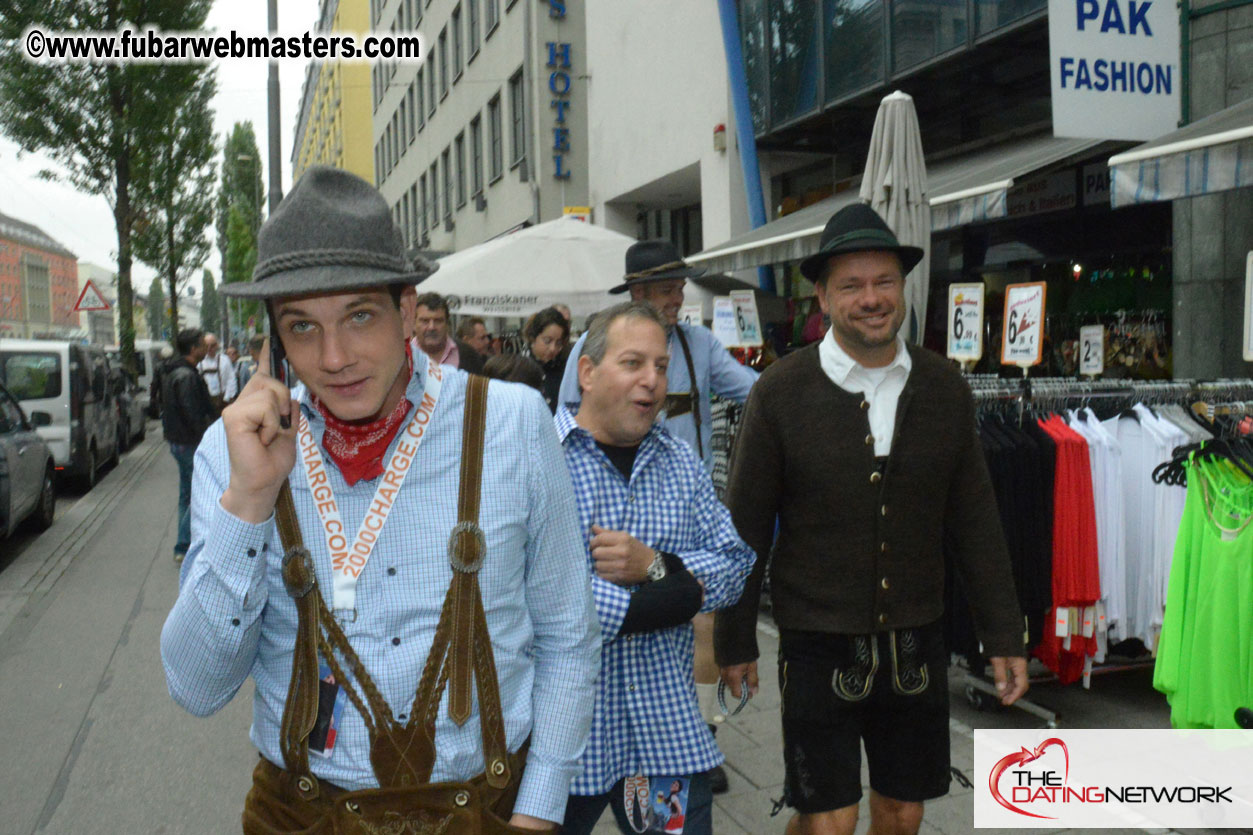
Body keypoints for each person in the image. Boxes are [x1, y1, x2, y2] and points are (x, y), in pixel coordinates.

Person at [160, 166, 599, 832]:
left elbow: (568, 635)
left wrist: (539, 812)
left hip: (485, 806)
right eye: (302, 327)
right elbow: (195, 688)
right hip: (301, 811)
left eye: (358, 316)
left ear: (405, 309)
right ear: (276, 339)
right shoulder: (234, 454)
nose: (334, 356)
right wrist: (249, 498)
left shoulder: (510, 421)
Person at [714, 203, 1029, 835]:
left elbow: (975, 522)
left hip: (917, 636)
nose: (871, 299)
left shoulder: (944, 388)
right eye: (852, 286)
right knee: (829, 817)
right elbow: (744, 528)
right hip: (815, 639)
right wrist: (735, 639)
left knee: (904, 811)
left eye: (884, 282)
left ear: (903, 288)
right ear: (823, 297)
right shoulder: (779, 393)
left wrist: (1003, 635)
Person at [558, 240, 759, 793]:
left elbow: (735, 563)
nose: (653, 379)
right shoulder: (547, 461)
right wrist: (669, 601)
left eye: (661, 367)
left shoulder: (682, 460)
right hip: (568, 741)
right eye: (633, 364)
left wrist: (656, 566)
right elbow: (547, 589)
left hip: (665, 730)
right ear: (589, 373)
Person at [160, 328, 216, 564]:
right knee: (197, 494)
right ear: (194, 349)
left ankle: (184, 545)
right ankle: (183, 544)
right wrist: (206, 439)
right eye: (203, 345)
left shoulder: (174, 372)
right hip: (189, 442)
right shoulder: (186, 376)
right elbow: (192, 412)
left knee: (187, 494)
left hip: (178, 440)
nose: (206, 349)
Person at [412, 292, 486, 374]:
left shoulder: (469, 356)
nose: (431, 327)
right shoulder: (401, 357)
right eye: (425, 321)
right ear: (413, 324)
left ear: (447, 324)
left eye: (438, 321)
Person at [522, 307, 569, 414]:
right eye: (547, 341)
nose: (553, 348)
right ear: (533, 337)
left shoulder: (565, 369)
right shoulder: (519, 369)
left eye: (558, 343)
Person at [197, 332, 237, 411]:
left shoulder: (224, 360)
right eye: (206, 346)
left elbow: (231, 379)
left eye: (212, 345)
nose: (209, 348)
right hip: (205, 403)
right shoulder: (199, 362)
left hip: (223, 401)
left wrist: (227, 398)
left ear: (217, 345)